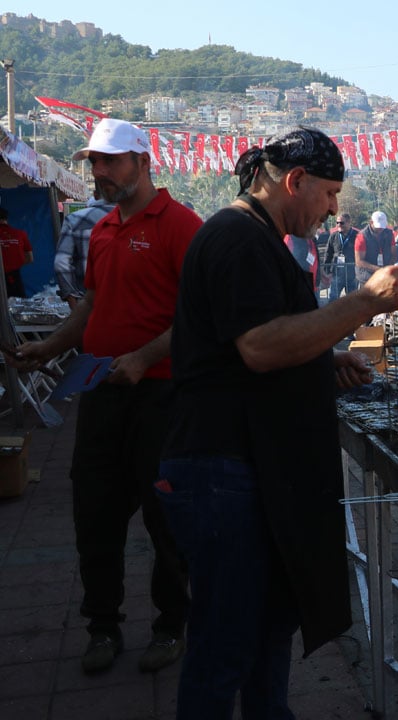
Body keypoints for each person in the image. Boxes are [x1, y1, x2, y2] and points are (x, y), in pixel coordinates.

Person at [157, 127, 398, 717]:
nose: (333, 208)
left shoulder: (257, 238)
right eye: (329, 193)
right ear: (294, 180)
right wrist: (363, 302)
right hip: (224, 470)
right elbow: (258, 347)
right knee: (224, 645)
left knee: (264, 632)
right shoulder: (237, 238)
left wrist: (324, 360)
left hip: (251, 467)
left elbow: (240, 346)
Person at [15, 118, 198, 674]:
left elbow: (200, 315)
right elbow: (93, 307)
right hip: (100, 391)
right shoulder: (102, 230)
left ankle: (171, 627)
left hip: (163, 397)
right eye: (93, 162)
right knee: (94, 513)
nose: (98, 173)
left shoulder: (181, 225)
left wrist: (143, 359)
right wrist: (49, 347)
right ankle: (103, 627)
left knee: (167, 520)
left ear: (143, 162)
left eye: (110, 161)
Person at [54, 189, 115, 306]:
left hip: (87, 301)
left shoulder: (74, 220)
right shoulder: (137, 218)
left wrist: (72, 299)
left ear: (96, 195)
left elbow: (61, 263)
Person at [354, 211, 395, 286]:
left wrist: (389, 267)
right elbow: (359, 261)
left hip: (385, 274)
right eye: (378, 227)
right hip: (366, 276)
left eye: (382, 227)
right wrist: (378, 269)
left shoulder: (389, 234)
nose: (380, 229)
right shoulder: (362, 236)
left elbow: (393, 254)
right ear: (371, 222)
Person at [0, 207, 33, 297]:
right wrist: (14, 265)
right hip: (14, 277)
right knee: (18, 306)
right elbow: (30, 258)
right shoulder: (20, 234)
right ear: (6, 218)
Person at [323, 213, 357, 298]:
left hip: (352, 275)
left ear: (349, 222)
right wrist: (327, 271)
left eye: (341, 223)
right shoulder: (333, 236)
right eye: (337, 222)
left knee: (352, 301)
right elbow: (328, 254)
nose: (339, 225)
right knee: (333, 299)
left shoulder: (357, 236)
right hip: (336, 274)